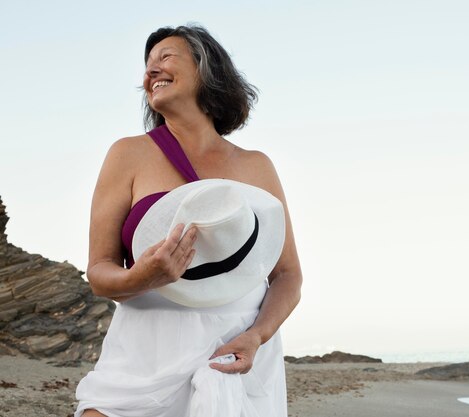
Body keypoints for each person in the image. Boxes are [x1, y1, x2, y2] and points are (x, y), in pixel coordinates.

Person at [75, 24, 302, 417]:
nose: (150, 71)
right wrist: (139, 278)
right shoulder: (127, 155)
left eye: (165, 57)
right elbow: (99, 272)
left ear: (205, 69)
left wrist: (256, 337)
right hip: (146, 349)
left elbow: (287, 275)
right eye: (147, 65)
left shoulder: (256, 166)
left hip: (234, 348)